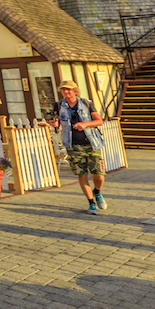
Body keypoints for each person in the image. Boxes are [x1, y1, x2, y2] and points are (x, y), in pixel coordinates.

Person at [50, 79, 107, 214]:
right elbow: (55, 121)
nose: (66, 91)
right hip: (73, 146)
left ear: (75, 91)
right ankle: (91, 203)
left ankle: (97, 192)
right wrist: (54, 124)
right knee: (82, 175)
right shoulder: (58, 105)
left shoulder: (87, 103)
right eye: (63, 89)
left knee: (99, 174)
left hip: (92, 144)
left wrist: (85, 124)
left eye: (68, 89)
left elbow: (99, 121)